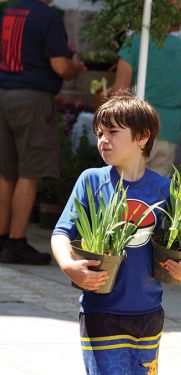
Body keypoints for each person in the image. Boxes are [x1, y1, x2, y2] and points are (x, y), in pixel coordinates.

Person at [51, 93, 181, 375]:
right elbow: (61, 232)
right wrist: (69, 266)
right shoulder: (91, 181)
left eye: (112, 132)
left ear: (142, 137)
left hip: (149, 314)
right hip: (102, 312)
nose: (103, 140)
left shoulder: (164, 188)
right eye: (100, 133)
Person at [0, 0, 85, 265]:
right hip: (32, 99)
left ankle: (3, 239)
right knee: (30, 171)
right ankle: (16, 242)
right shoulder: (48, 16)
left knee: (7, 172)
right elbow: (60, 66)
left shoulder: (9, 11)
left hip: (4, 94)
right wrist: (76, 68)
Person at [111, 2, 181, 177]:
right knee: (156, 195)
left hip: (136, 126)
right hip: (168, 128)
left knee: (126, 190)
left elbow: (119, 92)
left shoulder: (136, 42)